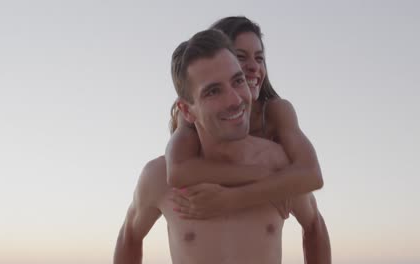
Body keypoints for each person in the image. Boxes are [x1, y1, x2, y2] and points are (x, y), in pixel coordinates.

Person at [114, 29, 325, 264]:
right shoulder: (158, 177)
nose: (235, 100)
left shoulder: (279, 168)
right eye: (213, 91)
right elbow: (130, 235)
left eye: (238, 81)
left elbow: (314, 224)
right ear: (186, 111)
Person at [167, 16, 331, 262]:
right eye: (241, 56)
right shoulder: (190, 117)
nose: (253, 66)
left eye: (260, 57)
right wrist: (264, 175)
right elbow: (178, 171)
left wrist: (232, 199)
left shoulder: (275, 111)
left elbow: (311, 175)